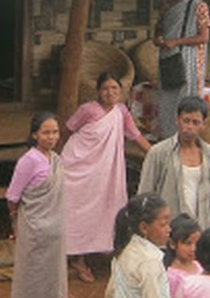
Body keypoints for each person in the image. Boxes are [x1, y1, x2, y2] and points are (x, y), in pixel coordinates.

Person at [62, 72, 152, 283]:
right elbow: (68, 129)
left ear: (121, 92)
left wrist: (155, 152)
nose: (110, 93)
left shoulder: (121, 111)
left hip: (105, 171)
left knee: (106, 208)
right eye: (105, 89)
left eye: (115, 89)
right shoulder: (88, 110)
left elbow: (135, 135)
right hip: (81, 166)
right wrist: (59, 157)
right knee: (79, 209)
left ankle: (105, 250)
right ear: (98, 92)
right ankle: (78, 257)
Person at [7, 111, 67, 298]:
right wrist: (15, 220)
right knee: (31, 274)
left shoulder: (56, 159)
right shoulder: (29, 161)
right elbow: (13, 196)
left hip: (54, 230)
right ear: (34, 134)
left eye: (55, 132)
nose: (51, 137)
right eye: (46, 132)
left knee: (47, 275)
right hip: (33, 227)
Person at [136, 95, 210, 229]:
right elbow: (145, 194)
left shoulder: (209, 154)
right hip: (168, 231)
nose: (189, 127)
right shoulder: (159, 153)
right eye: (186, 121)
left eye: (195, 122)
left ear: (204, 124)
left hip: (200, 230)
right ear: (177, 120)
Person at [152, 0, 210, 139]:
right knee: (167, 97)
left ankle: (187, 137)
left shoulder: (200, 6)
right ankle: (168, 137)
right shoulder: (168, 4)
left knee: (186, 98)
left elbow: (204, 37)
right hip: (168, 58)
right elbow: (157, 32)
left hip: (189, 59)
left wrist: (177, 42)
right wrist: (160, 41)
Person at [165, 213, 202, 298]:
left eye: (197, 243)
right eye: (187, 243)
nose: (193, 249)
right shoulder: (171, 276)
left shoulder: (199, 267)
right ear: (172, 244)